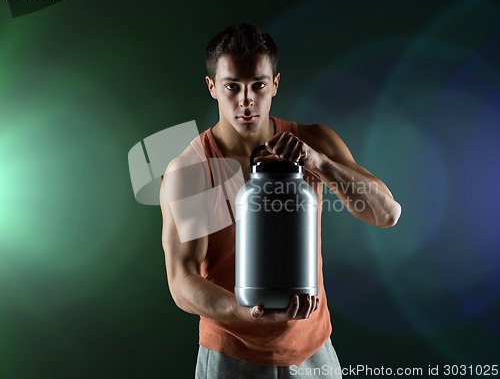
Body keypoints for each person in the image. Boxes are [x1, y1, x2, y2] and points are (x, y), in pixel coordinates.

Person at [160, 23, 401, 378]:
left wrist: (319, 164)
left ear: (275, 83)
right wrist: (246, 311)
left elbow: (387, 214)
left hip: (313, 348)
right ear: (212, 87)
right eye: (232, 87)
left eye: (258, 85)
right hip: (232, 354)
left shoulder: (313, 141)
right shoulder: (192, 170)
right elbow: (182, 282)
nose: (246, 101)